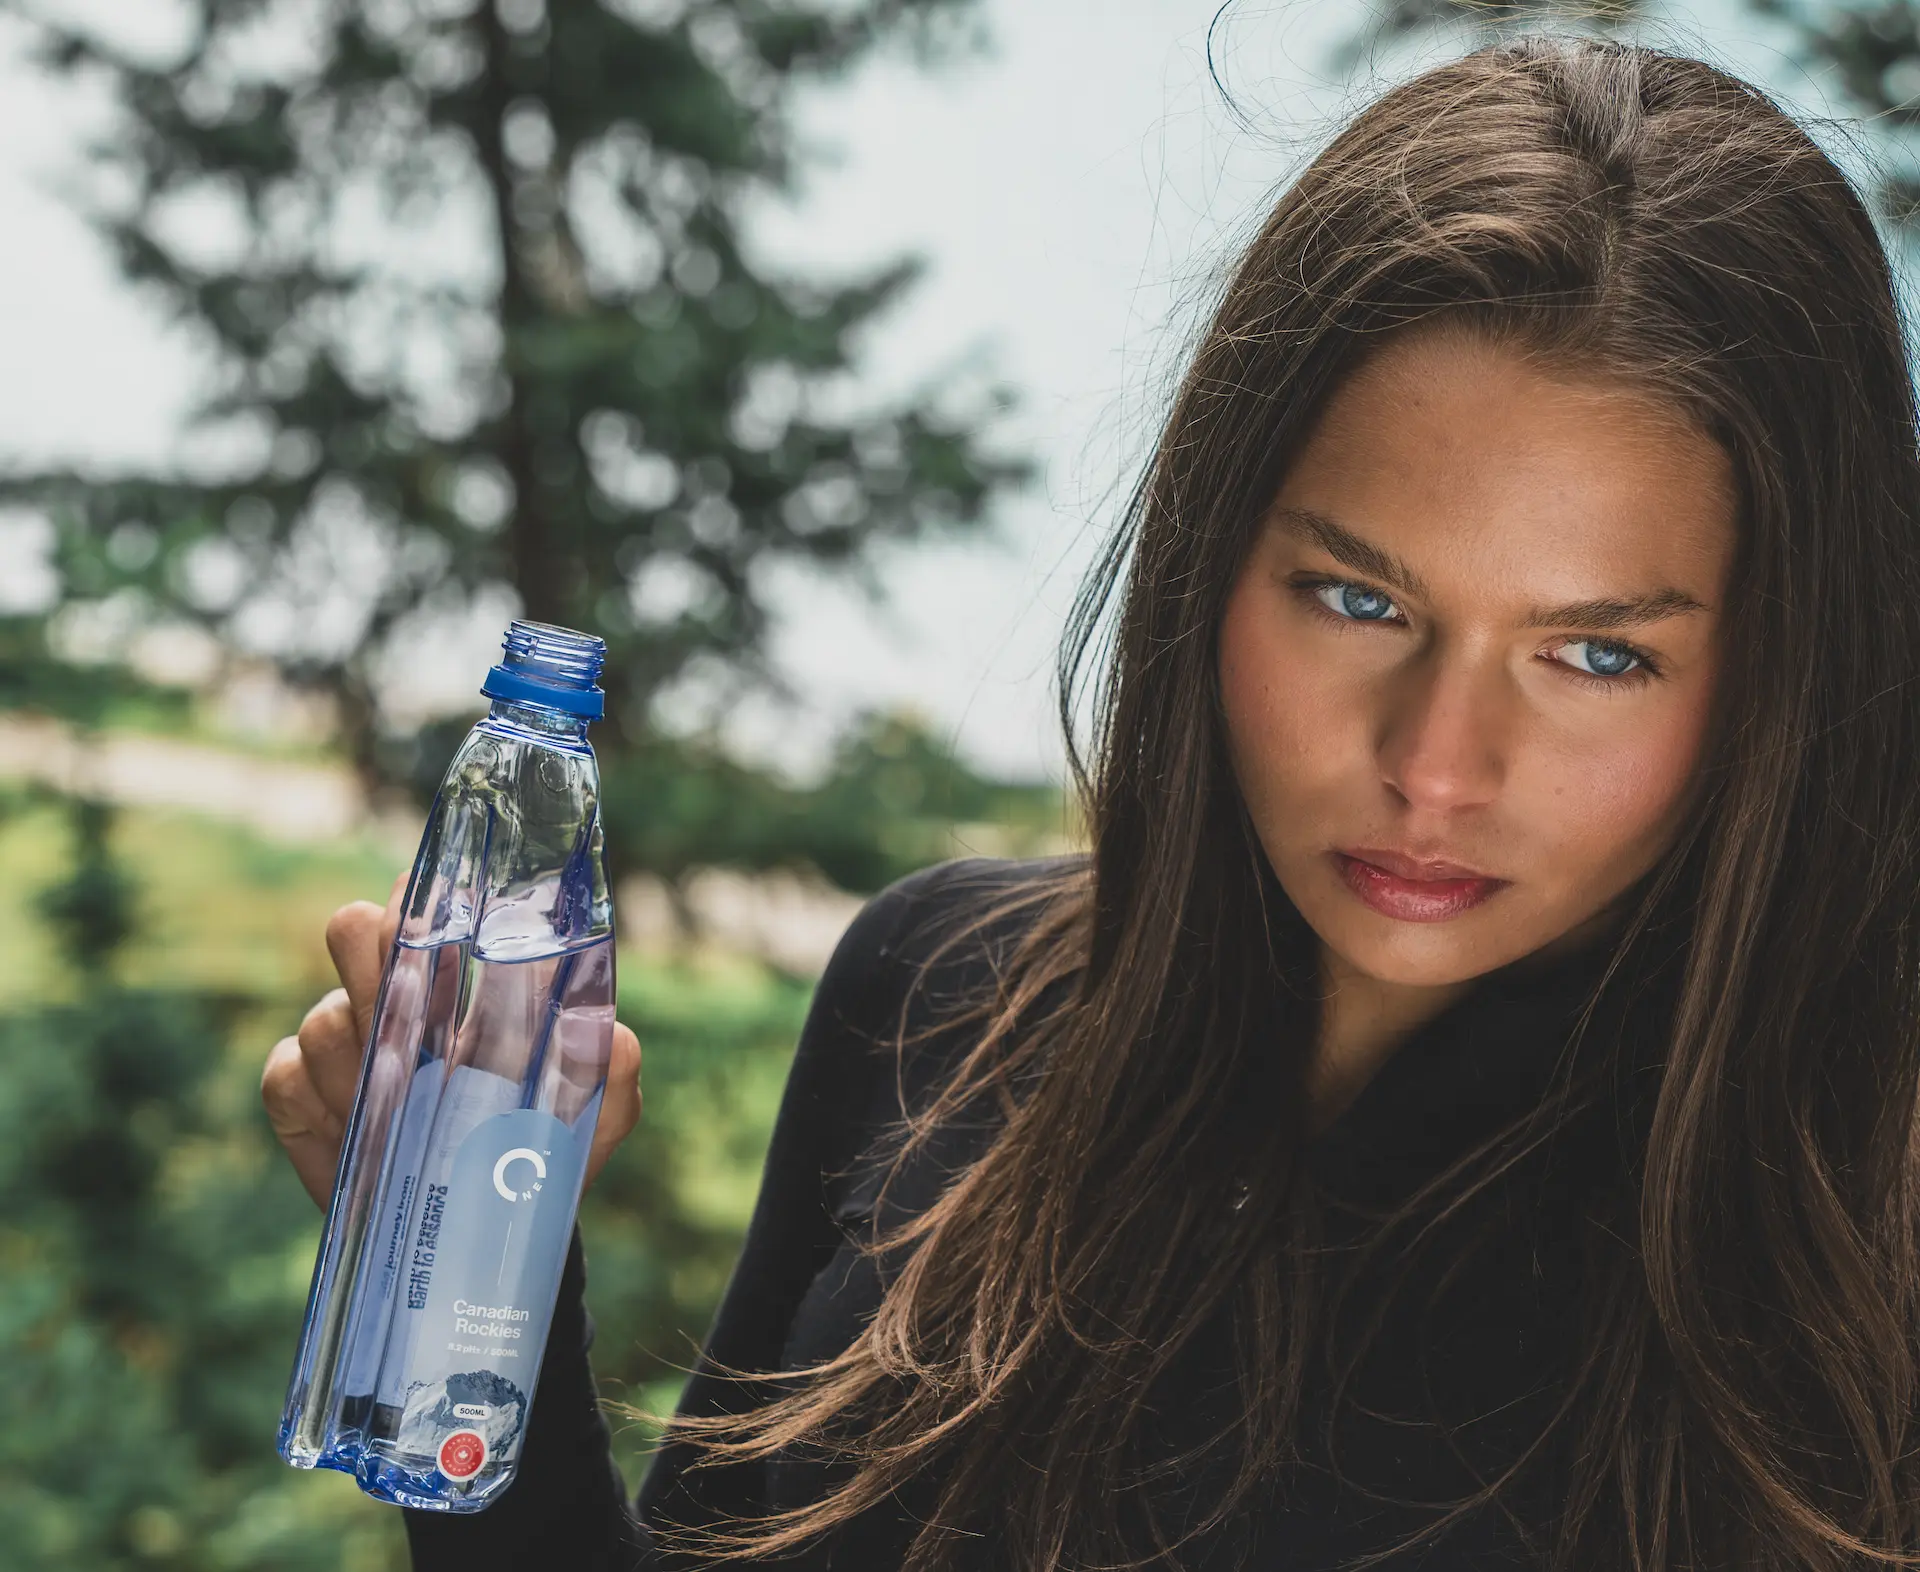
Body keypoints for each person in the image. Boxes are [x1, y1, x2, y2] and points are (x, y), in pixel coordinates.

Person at [261, 32, 1920, 1572]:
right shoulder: (940, 986)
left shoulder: (1854, 1241)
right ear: (1213, 561)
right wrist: (481, 1293)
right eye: (1359, 601)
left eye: (1596, 655)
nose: (1435, 764)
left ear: (1785, 670)